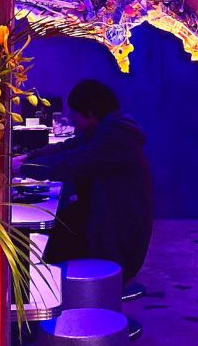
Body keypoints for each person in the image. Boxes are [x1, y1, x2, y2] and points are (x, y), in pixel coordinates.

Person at [12, 79, 153, 280]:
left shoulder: (115, 138)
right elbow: (69, 147)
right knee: (61, 225)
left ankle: (55, 292)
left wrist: (23, 169)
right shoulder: (109, 129)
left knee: (56, 240)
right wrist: (27, 158)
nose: (70, 117)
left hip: (117, 240)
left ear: (90, 112)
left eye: (74, 111)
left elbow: (72, 162)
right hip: (107, 221)